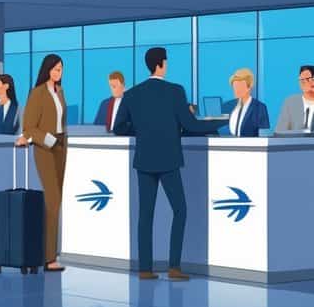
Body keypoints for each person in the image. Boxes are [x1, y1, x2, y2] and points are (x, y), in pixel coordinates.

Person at [113, 47, 226, 280]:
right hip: (168, 159)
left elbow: (118, 127)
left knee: (145, 215)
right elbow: (192, 125)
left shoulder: (133, 94)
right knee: (180, 210)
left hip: (144, 159)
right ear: (161, 64)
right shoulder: (175, 91)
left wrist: (143, 130)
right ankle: (174, 267)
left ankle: (145, 268)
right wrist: (220, 123)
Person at [17, 55, 69, 273]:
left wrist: (61, 140)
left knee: (57, 199)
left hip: (61, 146)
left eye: (61, 69)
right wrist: (48, 140)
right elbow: (29, 127)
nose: (59, 73)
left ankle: (49, 253)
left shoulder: (60, 92)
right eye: (56, 69)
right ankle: (49, 257)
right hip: (46, 147)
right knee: (52, 200)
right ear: (47, 69)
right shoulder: (37, 93)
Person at [225, 68, 269, 138]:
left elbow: (264, 136)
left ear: (249, 87)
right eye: (235, 86)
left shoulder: (259, 108)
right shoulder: (231, 107)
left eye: (240, 86)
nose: (237, 90)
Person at [274, 65, 314, 132]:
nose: (304, 82)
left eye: (308, 79)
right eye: (301, 80)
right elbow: (280, 131)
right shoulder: (291, 102)